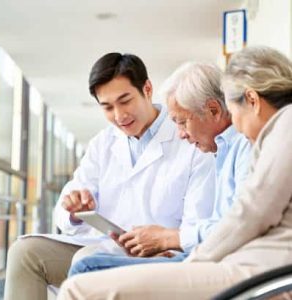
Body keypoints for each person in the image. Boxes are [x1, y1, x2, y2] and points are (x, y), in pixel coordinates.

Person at [57, 46, 292, 300]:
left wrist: (189, 259)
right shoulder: (251, 141)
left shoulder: (282, 128)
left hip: (251, 270)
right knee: (82, 268)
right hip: (240, 262)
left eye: (234, 112)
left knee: (80, 280)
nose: (234, 122)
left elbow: (251, 215)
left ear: (253, 101)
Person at [4, 53, 215, 300]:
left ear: (147, 89)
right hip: (106, 245)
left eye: (125, 100)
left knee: (88, 261)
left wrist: (164, 241)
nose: (119, 115)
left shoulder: (190, 138)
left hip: (162, 254)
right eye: (107, 107)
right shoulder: (103, 144)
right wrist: (74, 209)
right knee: (25, 252)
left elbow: (199, 222)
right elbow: (65, 211)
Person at [67, 61, 251, 276]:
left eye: (182, 122)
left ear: (213, 110)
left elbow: (237, 226)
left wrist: (167, 240)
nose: (181, 133)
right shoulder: (223, 150)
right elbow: (219, 223)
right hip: (199, 254)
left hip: (217, 264)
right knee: (79, 260)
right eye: (107, 107)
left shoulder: (241, 147)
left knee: (87, 267)